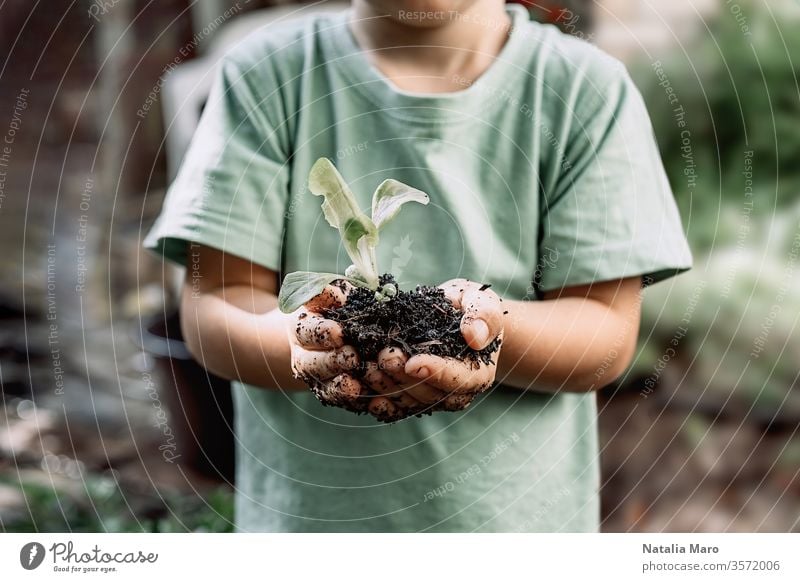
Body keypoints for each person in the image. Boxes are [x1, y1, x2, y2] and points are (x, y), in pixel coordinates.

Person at [144, 0, 692, 532]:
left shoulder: (585, 90)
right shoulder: (268, 74)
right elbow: (216, 305)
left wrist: (489, 333)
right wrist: (302, 346)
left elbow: (604, 332)